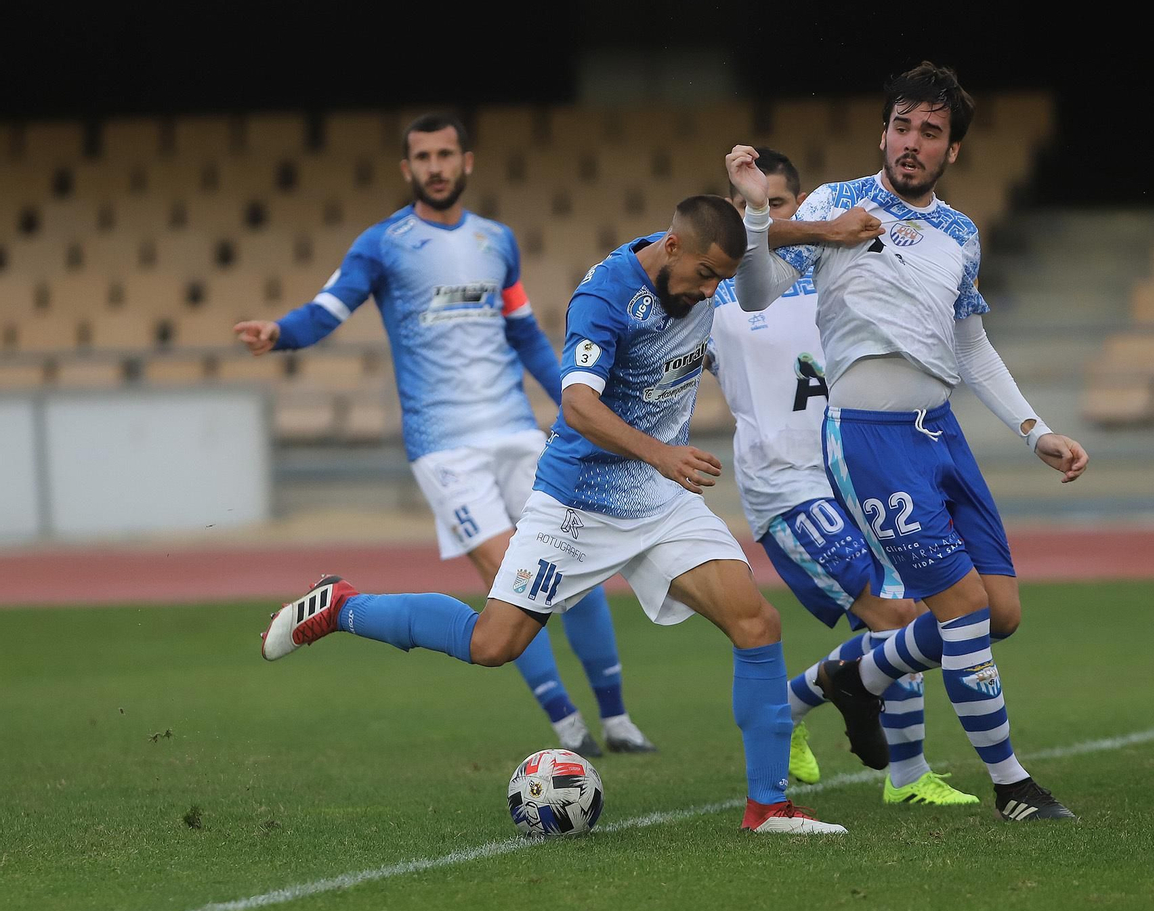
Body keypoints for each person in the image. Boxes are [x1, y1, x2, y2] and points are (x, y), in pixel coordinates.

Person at [260, 194, 854, 834]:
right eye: (706, 276)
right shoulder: (603, 299)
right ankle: (342, 605)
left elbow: (751, 238)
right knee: (492, 645)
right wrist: (660, 454)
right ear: (673, 248)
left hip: (661, 500)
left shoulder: (698, 255)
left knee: (756, 622)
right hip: (578, 503)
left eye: (721, 279)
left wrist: (824, 229)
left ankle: (767, 808)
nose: (712, 291)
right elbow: (577, 408)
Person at [730, 62, 1090, 822]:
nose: (912, 143)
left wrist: (1035, 430)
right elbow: (755, 293)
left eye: (931, 132)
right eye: (902, 126)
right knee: (960, 610)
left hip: (941, 435)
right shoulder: (836, 205)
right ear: (883, 131)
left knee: (1000, 613)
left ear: (952, 150)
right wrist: (767, 216)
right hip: (870, 437)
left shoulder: (960, 235)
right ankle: (1012, 785)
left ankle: (844, 682)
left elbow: (972, 347)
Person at [234, 113, 654, 757]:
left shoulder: (497, 242)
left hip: (515, 431)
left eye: (445, 154)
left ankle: (618, 721)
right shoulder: (383, 244)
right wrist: (281, 332)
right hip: (444, 446)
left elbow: (523, 335)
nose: (435, 166)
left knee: (578, 566)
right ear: (407, 170)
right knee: (515, 580)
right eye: (422, 157)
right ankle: (569, 729)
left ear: (467, 162)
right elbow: (329, 308)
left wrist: (578, 404)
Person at [707, 147, 978, 807]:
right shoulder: (719, 295)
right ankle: (903, 772)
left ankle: (807, 713)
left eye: (777, 206)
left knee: (906, 611)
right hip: (785, 482)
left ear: (800, 208)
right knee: (891, 613)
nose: (765, 217)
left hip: (857, 468)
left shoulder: (839, 274)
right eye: (751, 207)